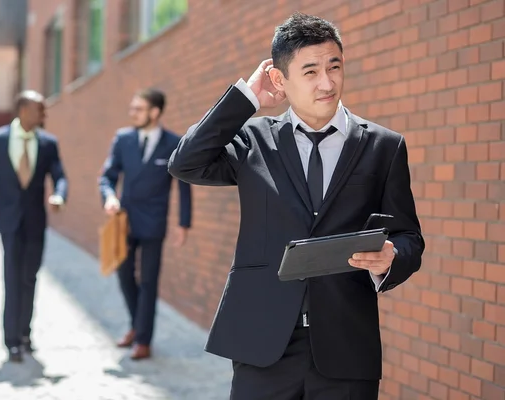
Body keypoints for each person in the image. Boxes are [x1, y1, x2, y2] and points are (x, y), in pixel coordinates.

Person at [168, 13, 425, 400]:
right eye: (310, 71)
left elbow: (409, 236)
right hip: (263, 342)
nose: (327, 83)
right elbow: (186, 163)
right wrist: (247, 99)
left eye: (334, 66)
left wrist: (392, 256)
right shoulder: (254, 139)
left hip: (346, 346)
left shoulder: (384, 147)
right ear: (279, 79)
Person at [0, 90, 68, 363]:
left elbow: (60, 176)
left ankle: (26, 334)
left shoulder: (48, 143)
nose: (44, 115)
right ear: (24, 110)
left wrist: (59, 195)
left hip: (35, 222)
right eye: (40, 109)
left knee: (30, 278)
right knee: (12, 279)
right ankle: (11, 341)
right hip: (8, 222)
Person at [99, 88, 192, 360]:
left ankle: (143, 340)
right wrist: (108, 197)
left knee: (149, 281)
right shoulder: (122, 139)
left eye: (139, 109)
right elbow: (107, 176)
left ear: (155, 112)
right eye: (132, 108)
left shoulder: (174, 143)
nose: (133, 114)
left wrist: (183, 223)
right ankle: (136, 325)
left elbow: (184, 187)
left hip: (153, 223)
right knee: (125, 276)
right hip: (123, 221)